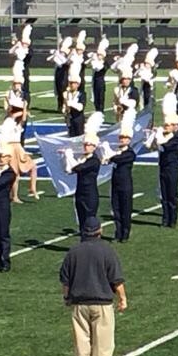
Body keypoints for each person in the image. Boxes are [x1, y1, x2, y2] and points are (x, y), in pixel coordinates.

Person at [59, 219, 127, 356]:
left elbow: (65, 281)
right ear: (100, 231)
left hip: (79, 304)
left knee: (81, 343)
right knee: (102, 344)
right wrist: (122, 298)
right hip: (102, 303)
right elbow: (116, 279)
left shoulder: (73, 251)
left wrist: (67, 298)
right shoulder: (107, 250)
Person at [62, 114, 103, 231]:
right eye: (85, 144)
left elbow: (77, 168)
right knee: (81, 220)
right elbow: (69, 170)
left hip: (90, 194)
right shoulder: (82, 158)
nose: (86, 146)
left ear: (94, 146)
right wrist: (65, 157)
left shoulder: (94, 160)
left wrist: (69, 156)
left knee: (89, 221)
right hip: (80, 192)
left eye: (89, 144)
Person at [147, 95, 178, 228]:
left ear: (175, 126)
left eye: (168, 125)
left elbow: (166, 146)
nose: (165, 127)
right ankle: (165, 218)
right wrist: (152, 135)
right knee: (164, 193)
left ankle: (172, 219)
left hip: (172, 167)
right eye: (165, 125)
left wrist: (158, 134)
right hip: (162, 166)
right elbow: (151, 146)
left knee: (172, 194)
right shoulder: (165, 135)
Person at [103, 111, 136, 243]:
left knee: (125, 210)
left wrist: (108, 153)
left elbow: (117, 159)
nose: (122, 139)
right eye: (121, 137)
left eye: (125, 138)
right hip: (115, 183)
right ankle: (118, 232)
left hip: (125, 185)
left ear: (129, 140)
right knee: (116, 209)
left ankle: (125, 233)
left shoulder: (130, 153)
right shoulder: (117, 151)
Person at [0, 104, 39, 203]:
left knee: (33, 166)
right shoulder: (8, 121)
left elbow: (23, 119)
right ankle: (14, 196)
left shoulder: (17, 124)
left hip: (18, 147)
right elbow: (13, 116)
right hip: (9, 148)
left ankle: (32, 188)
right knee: (15, 174)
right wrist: (24, 109)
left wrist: (24, 110)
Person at [63, 58, 86, 138]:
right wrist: (64, 110)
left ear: (78, 84)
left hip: (78, 119)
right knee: (71, 136)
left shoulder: (81, 94)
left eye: (74, 83)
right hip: (70, 118)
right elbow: (64, 106)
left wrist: (70, 103)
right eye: (71, 83)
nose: (72, 85)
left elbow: (80, 107)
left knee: (79, 136)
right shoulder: (66, 94)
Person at [50, 36, 72, 113]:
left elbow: (66, 62)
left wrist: (59, 55)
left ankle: (65, 105)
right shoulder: (59, 52)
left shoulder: (69, 53)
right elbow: (50, 60)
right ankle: (60, 105)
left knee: (64, 89)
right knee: (58, 89)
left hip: (65, 73)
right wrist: (55, 54)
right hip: (58, 72)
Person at [88, 37, 109, 113]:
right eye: (98, 54)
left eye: (100, 55)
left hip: (100, 83)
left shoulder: (105, 63)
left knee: (100, 98)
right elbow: (87, 63)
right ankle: (97, 110)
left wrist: (95, 61)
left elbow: (98, 68)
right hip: (95, 82)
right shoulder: (95, 61)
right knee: (95, 97)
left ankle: (101, 111)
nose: (98, 56)